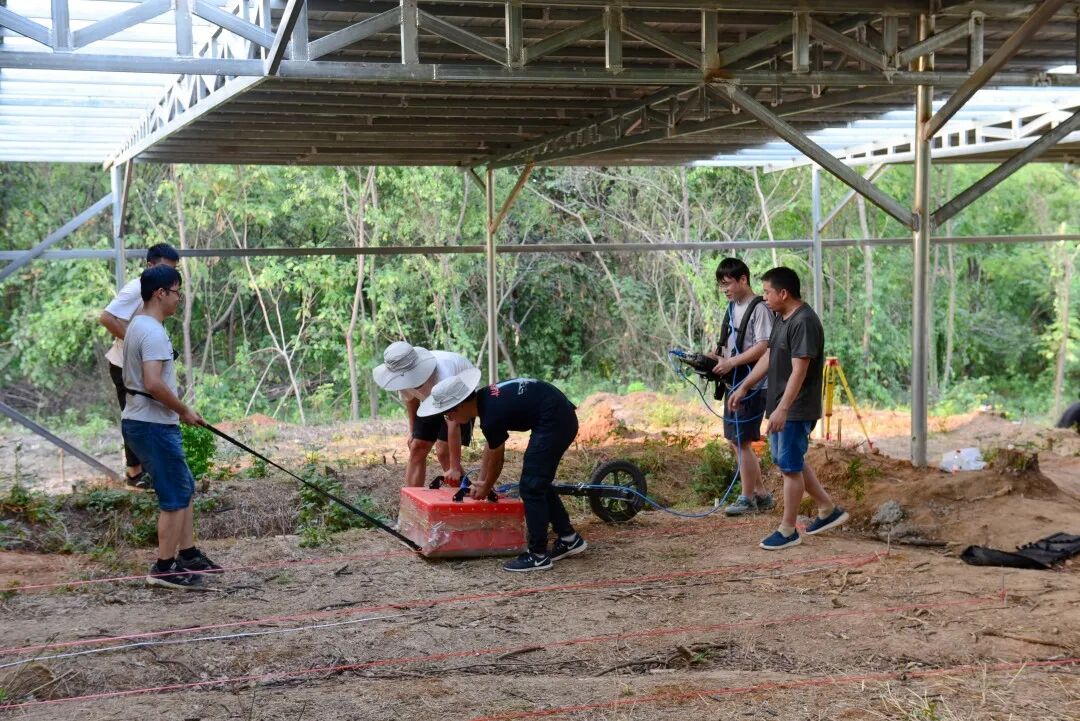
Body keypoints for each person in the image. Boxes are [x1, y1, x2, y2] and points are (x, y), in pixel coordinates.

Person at [728, 267, 848, 551]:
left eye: (768, 292)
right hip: (782, 404)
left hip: (795, 407)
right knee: (788, 460)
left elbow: (799, 371)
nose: (764, 297)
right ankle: (827, 509)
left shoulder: (804, 321)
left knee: (790, 467)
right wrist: (745, 386)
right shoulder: (782, 318)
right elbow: (769, 355)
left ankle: (788, 529)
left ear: (783, 293)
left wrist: (782, 409)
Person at [417, 372, 586, 572]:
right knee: (537, 481)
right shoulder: (485, 401)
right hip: (555, 415)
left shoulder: (491, 415)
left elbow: (498, 459)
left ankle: (538, 555)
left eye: (448, 413)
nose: (449, 418)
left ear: (460, 405)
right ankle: (568, 538)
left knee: (531, 486)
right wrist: (482, 482)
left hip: (556, 421)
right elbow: (492, 444)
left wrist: (487, 486)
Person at [121, 264, 220, 589]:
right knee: (175, 494)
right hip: (152, 425)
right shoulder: (152, 332)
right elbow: (153, 383)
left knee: (183, 486)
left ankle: (187, 553)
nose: (179, 298)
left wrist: (178, 412)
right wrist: (184, 411)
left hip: (145, 421)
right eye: (176, 291)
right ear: (160, 293)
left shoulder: (138, 324)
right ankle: (164, 567)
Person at [99, 243, 180, 490]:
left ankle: (145, 472)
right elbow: (106, 317)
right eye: (165, 269)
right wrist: (137, 343)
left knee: (146, 415)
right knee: (136, 415)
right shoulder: (137, 288)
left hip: (138, 363)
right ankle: (135, 473)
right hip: (125, 365)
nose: (169, 276)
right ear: (150, 266)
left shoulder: (156, 297)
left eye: (173, 270)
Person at [703, 258, 775, 516]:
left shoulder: (760, 309)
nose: (725, 290)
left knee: (742, 440)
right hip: (734, 381)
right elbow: (729, 341)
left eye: (728, 284)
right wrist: (712, 357)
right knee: (735, 441)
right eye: (722, 286)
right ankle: (761, 495)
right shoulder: (733, 307)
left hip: (751, 382)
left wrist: (732, 362)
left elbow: (763, 346)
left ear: (743, 279)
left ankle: (747, 498)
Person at [372, 341, 476, 487]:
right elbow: (411, 400)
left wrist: (455, 467)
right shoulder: (399, 377)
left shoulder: (444, 375)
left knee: (443, 451)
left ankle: (466, 498)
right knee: (416, 447)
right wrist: (413, 432)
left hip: (459, 395)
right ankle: (411, 506)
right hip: (430, 401)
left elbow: (454, 423)